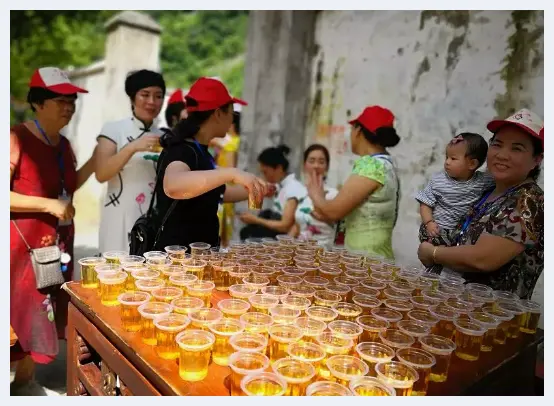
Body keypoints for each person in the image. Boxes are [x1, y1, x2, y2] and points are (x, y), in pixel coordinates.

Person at [10, 67, 95, 393]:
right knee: (18, 314)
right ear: (38, 103)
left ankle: (24, 380)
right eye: (61, 100)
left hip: (55, 247)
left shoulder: (64, 145)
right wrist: (48, 205)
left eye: (71, 100)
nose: (69, 107)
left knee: (43, 313)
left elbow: (70, 186)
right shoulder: (17, 138)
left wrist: (100, 160)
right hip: (21, 252)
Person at [418, 109, 544, 298]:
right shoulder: (486, 191)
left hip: (493, 316)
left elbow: (483, 258)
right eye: (497, 144)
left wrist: (433, 252)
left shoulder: (529, 200)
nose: (502, 155)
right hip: (455, 308)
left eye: (516, 148)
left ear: (536, 159)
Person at [154, 77, 269, 249]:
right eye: (232, 114)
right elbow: (173, 185)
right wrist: (233, 173)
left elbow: (219, 192)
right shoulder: (182, 149)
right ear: (217, 113)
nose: (232, 121)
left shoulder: (201, 150)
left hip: (200, 256)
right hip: (180, 264)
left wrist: (256, 187)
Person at [307, 106, 400, 259]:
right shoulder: (387, 163)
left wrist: (315, 195)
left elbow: (334, 211)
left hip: (366, 260)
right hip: (377, 256)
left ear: (357, 131)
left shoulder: (371, 165)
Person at [94, 69, 166, 253]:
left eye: (158, 96)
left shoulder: (165, 136)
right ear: (132, 97)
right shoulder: (113, 130)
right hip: (120, 217)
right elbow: (102, 173)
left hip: (153, 220)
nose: (152, 101)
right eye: (145, 95)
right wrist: (132, 147)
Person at [415, 132, 495, 249]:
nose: (447, 162)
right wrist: (429, 222)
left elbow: (502, 181)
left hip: (461, 232)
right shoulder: (438, 181)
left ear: (472, 164)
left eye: (453, 158)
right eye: (446, 157)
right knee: (435, 254)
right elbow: (425, 204)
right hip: (436, 229)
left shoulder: (482, 181)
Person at [239, 145, 305, 239]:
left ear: (279, 168)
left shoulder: (292, 189)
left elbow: (285, 226)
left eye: (265, 172)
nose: (264, 177)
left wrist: (256, 220)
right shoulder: (280, 186)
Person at [289, 144, 338, 245]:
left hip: (324, 253)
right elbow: (297, 226)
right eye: (311, 161)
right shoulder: (300, 193)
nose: (316, 165)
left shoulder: (334, 195)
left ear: (327, 167)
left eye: (321, 162)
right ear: (304, 165)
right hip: (301, 252)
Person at [211, 105, 242, 246]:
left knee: (221, 225)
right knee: (225, 226)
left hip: (225, 185)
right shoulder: (235, 140)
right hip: (229, 184)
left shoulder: (229, 141)